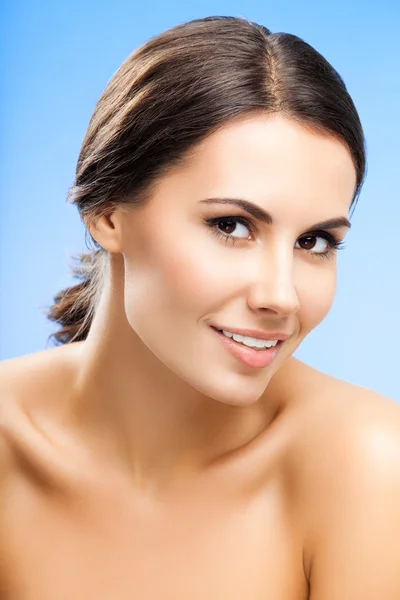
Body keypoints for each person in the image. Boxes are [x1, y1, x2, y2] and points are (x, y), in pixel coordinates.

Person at [0, 15, 399, 599]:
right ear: (108, 213)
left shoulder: (366, 466)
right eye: (231, 225)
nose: (280, 297)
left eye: (315, 242)